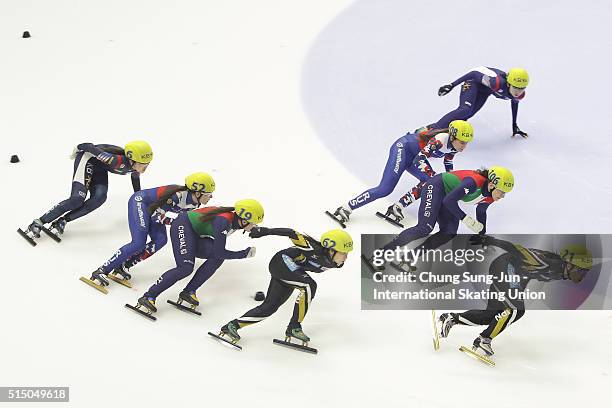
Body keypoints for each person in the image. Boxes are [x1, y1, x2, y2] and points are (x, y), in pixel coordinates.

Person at [438, 238, 593, 356]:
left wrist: (518, 288)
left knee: (491, 315)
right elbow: (517, 250)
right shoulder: (550, 263)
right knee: (516, 310)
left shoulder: (561, 271)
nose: (583, 276)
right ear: (570, 264)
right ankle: (483, 340)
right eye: (581, 271)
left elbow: (528, 272)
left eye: (585, 272)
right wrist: (491, 240)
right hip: (505, 266)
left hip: (512, 273)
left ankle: (450, 318)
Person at [215, 228, 354, 345]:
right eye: (343, 253)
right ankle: (294, 327)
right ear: (330, 250)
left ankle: (232, 326)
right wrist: (266, 231)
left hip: (289, 272)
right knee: (309, 286)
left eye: (347, 254)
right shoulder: (312, 247)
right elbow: (292, 232)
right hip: (281, 262)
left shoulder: (335, 262)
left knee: (269, 307)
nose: (345, 258)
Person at [130, 199, 264, 315]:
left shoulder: (234, 222)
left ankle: (188, 292)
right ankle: (149, 296)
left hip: (194, 234)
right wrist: (243, 254)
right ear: (244, 219)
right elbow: (219, 251)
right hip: (182, 226)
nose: (254, 226)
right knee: (185, 268)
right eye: (253, 223)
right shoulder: (223, 221)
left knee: (217, 258)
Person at [328, 120, 474, 226]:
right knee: (385, 189)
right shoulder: (440, 140)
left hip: (415, 155)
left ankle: (397, 207)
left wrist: (451, 179)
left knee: (429, 181)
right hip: (403, 149)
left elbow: (448, 161)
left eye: (466, 143)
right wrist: (433, 175)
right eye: (462, 142)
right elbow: (419, 159)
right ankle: (346, 208)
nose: (464, 146)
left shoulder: (455, 147)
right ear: (453, 137)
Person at [367, 167, 514, 271]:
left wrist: (483, 238)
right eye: (501, 192)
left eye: (504, 194)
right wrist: (466, 219)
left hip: (447, 195)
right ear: (491, 184)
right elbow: (449, 201)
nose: (501, 197)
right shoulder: (473, 182)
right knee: (424, 228)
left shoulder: (491, 195)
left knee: (449, 232)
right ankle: (380, 254)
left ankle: (409, 257)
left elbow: (481, 211)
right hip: (436, 186)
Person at [83, 172, 216, 288]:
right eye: (208, 194)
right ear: (197, 193)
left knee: (161, 240)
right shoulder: (178, 196)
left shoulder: (195, 203)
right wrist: (174, 223)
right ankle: (102, 270)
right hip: (141, 203)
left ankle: (124, 265)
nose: (210, 197)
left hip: (154, 211)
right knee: (138, 242)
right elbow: (158, 216)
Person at [22, 141, 153, 240]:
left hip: (100, 169)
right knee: (77, 198)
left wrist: (139, 196)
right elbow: (89, 147)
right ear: (131, 159)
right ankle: (39, 221)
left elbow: (135, 179)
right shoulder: (114, 160)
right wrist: (78, 147)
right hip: (87, 159)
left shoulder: (134, 167)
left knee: (99, 198)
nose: (143, 169)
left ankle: (63, 220)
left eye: (146, 165)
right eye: (142, 165)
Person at [419, 67, 529, 138]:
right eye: (516, 88)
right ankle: (430, 130)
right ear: (509, 84)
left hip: (484, 91)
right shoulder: (496, 83)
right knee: (465, 109)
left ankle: (446, 130)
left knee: (469, 114)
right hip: (473, 83)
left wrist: (514, 125)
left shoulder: (519, 95)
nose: (518, 92)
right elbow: (474, 73)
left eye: (522, 89)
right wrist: (451, 85)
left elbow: (514, 104)